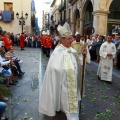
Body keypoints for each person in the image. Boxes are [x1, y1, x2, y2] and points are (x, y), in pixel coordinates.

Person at [39, 22, 87, 120]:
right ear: (62, 40)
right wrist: (63, 71)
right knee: (66, 104)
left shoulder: (71, 50)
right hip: (63, 84)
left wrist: (82, 55)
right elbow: (54, 69)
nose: (71, 40)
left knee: (71, 104)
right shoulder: (57, 52)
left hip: (72, 83)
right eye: (69, 39)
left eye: (71, 38)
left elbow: (78, 61)